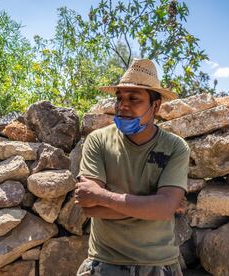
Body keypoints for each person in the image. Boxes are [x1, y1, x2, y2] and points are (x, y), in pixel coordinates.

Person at [75, 59, 190, 276]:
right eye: (119, 99)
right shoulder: (98, 141)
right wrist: (151, 206)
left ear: (155, 106)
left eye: (134, 99)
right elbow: (89, 206)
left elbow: (164, 209)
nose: (123, 106)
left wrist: (102, 196)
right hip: (104, 264)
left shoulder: (175, 147)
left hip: (159, 266)